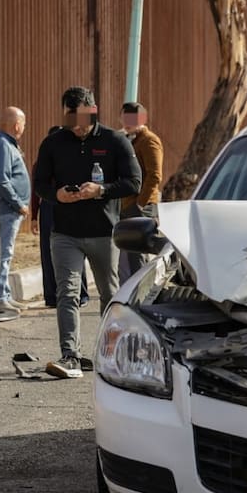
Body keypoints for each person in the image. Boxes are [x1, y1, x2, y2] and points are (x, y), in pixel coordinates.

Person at [33, 86, 141, 378]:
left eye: (82, 119)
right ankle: (70, 355)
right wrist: (57, 195)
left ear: (93, 111)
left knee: (109, 294)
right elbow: (40, 182)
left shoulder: (115, 141)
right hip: (65, 233)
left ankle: (110, 350)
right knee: (67, 293)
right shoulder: (53, 143)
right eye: (71, 119)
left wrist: (101, 190)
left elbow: (134, 182)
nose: (77, 127)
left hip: (103, 233)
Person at [30, 126, 89, 309]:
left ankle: (71, 294)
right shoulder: (44, 162)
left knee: (70, 250)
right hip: (53, 206)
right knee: (53, 251)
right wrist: (34, 216)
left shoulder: (67, 159)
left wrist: (34, 215)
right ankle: (58, 295)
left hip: (62, 206)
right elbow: (36, 191)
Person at [0, 106, 29, 322]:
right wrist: (19, 203)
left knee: (7, 253)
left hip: (10, 209)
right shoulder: (3, 145)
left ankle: (4, 294)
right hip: (8, 209)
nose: (23, 128)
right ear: (16, 125)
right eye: (23, 124)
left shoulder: (7, 144)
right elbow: (2, 180)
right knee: (4, 254)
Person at [117, 101, 164, 282]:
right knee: (129, 254)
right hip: (127, 204)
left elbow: (155, 175)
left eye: (132, 119)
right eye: (124, 117)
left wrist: (140, 203)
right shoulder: (128, 139)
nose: (127, 122)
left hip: (142, 205)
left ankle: (141, 295)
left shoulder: (149, 140)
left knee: (138, 255)